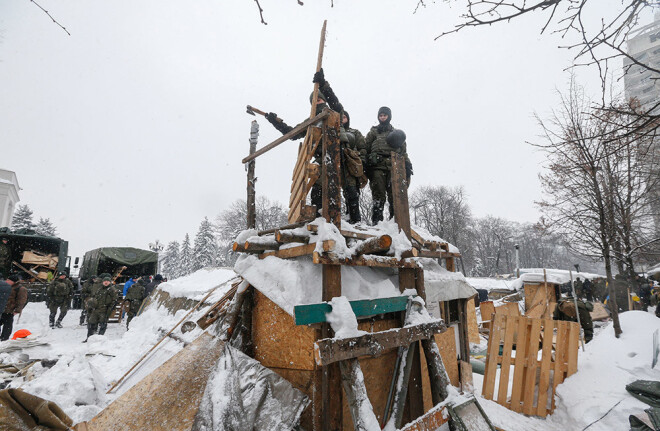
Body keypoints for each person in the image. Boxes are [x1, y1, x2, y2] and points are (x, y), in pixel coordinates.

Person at [265, 68, 358, 217]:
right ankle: (320, 219)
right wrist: (275, 122)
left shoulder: (334, 112)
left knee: (350, 190)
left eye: (319, 99)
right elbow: (292, 134)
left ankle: (354, 221)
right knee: (318, 189)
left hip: (340, 154)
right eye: (314, 102)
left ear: (324, 100)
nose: (317, 103)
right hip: (323, 158)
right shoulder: (311, 121)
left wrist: (322, 84)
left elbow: (335, 101)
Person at [365, 106, 412, 224]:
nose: (382, 117)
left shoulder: (396, 133)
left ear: (389, 116)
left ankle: (396, 222)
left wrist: (408, 165)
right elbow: (365, 148)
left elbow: (403, 152)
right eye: (380, 115)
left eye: (385, 115)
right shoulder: (373, 132)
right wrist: (365, 163)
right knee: (378, 195)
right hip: (377, 167)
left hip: (393, 167)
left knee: (394, 196)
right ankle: (377, 222)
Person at [339, 110, 367, 224]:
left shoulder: (355, 132)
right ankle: (344, 218)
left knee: (352, 192)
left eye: (344, 117)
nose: (342, 119)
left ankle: (355, 220)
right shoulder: (332, 131)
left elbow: (363, 148)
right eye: (340, 117)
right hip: (336, 165)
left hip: (351, 165)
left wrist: (361, 160)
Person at [85, 275, 118, 341]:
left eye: (107, 281)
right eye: (105, 281)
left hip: (104, 310)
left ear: (110, 282)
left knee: (103, 324)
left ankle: (100, 339)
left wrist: (109, 311)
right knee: (91, 323)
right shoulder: (99, 289)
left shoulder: (112, 290)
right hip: (96, 309)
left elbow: (114, 301)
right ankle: (89, 338)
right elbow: (95, 298)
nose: (106, 282)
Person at [0, 275, 27, 341]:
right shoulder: (6, 287)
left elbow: (21, 300)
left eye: (8, 280)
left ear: (14, 281)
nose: (6, 281)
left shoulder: (20, 289)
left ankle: (4, 338)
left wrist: (17, 310)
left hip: (10, 310)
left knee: (7, 325)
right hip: (3, 309)